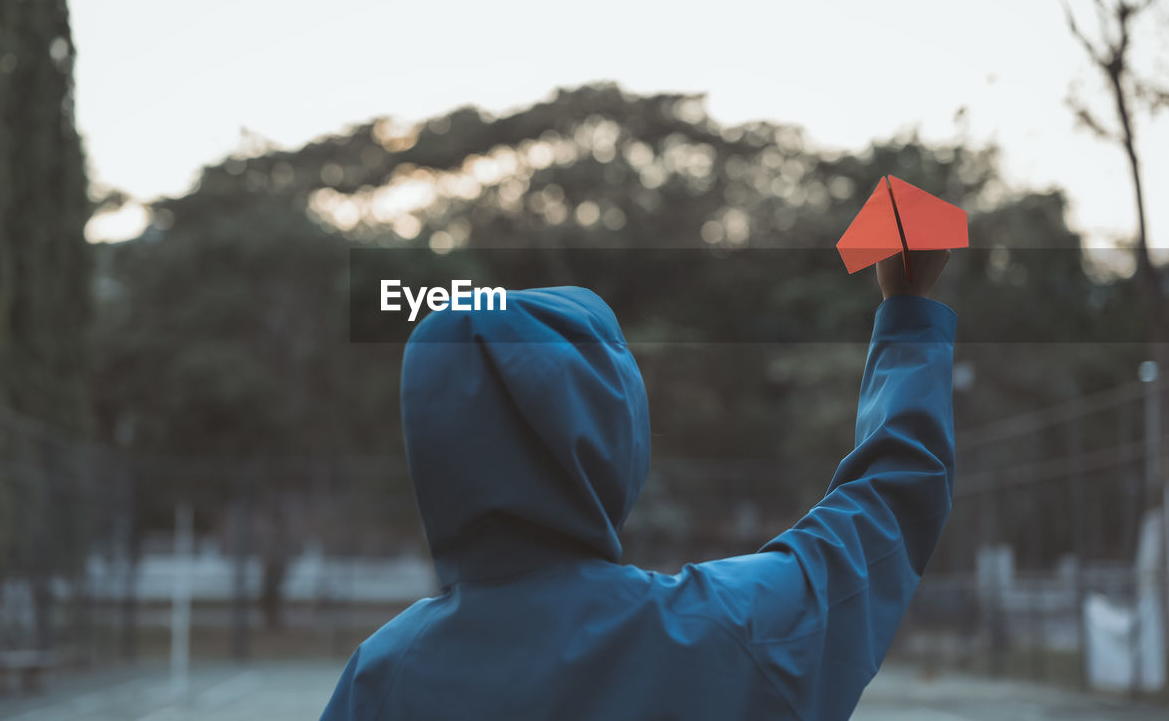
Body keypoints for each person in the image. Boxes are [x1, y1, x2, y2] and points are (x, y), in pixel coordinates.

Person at [320, 249, 955, 720]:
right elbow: (891, 504)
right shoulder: (728, 631)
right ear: (612, 435)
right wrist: (907, 313)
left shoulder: (382, 678)